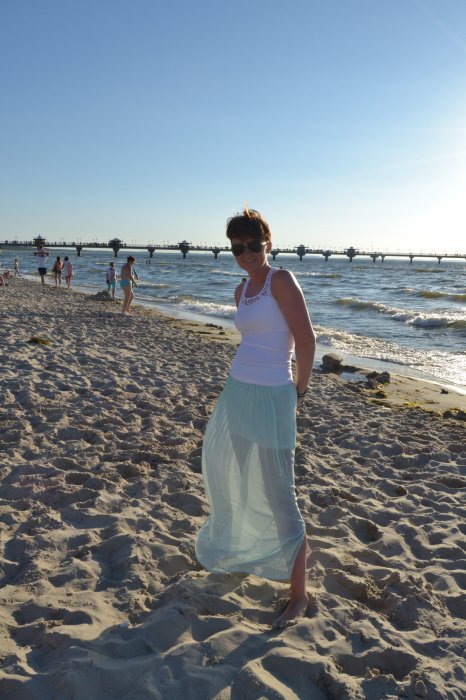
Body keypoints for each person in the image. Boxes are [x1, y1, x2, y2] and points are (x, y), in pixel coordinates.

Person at [196, 208, 316, 629]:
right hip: (238, 391)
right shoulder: (241, 290)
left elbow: (306, 340)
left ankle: (298, 596)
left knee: (280, 493)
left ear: (267, 243)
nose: (244, 253)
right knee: (232, 474)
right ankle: (237, 554)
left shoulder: (281, 280)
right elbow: (251, 341)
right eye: (236, 248)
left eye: (251, 245)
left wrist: (299, 391)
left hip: (274, 395)